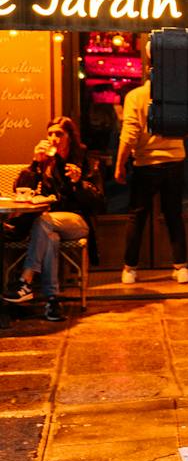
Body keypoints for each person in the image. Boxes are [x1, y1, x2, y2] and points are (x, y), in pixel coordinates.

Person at [4, 117, 103, 322]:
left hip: (78, 222)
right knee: (50, 237)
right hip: (49, 223)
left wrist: (79, 183)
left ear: (70, 137)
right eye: (50, 134)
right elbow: (21, 191)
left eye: (59, 134)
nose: (53, 138)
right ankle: (53, 301)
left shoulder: (85, 158)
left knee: (44, 222)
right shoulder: (47, 161)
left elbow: (99, 201)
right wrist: (34, 163)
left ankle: (26, 280)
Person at [115, 71, 188, 285]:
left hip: (146, 163)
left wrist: (119, 164)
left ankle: (130, 269)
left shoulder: (136, 96)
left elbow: (130, 133)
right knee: (174, 214)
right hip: (175, 160)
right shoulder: (176, 96)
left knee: (137, 216)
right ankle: (181, 267)